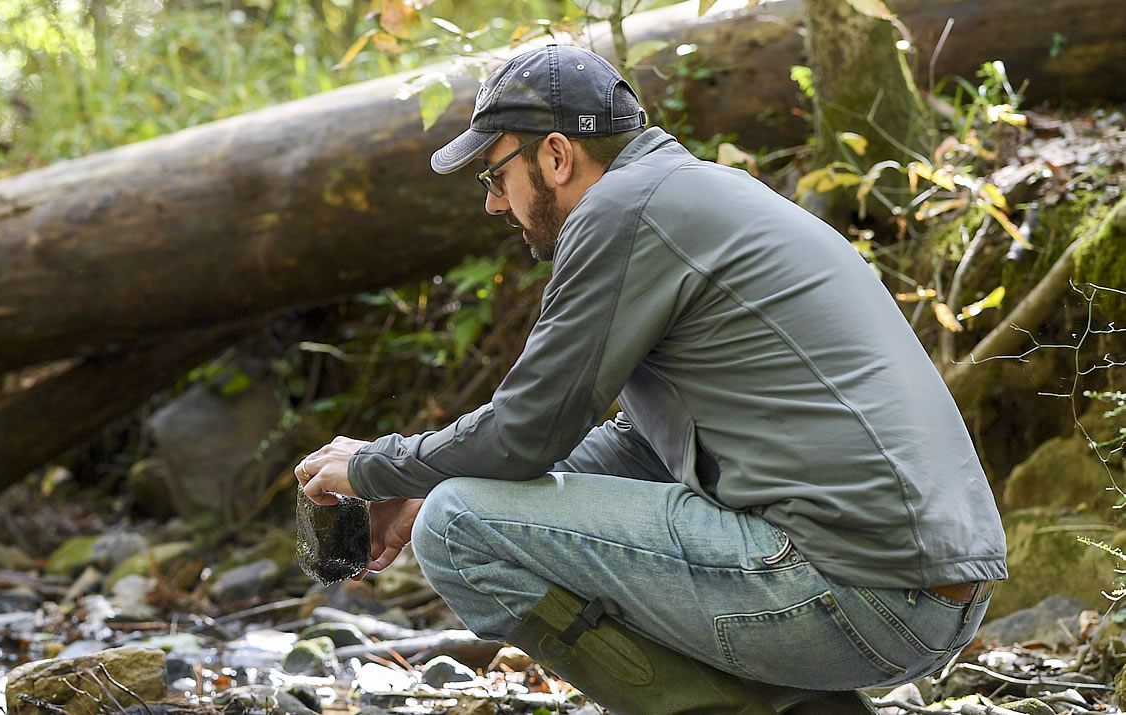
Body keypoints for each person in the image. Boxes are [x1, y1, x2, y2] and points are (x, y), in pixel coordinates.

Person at [294, 44, 1007, 714]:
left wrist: (375, 466)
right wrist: (435, 479)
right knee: (455, 504)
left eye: (495, 175)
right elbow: (642, 446)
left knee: (458, 529)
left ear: (555, 154)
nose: (492, 202)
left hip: (856, 589)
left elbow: (525, 431)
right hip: (932, 591)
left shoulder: (621, 211)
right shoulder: (689, 195)